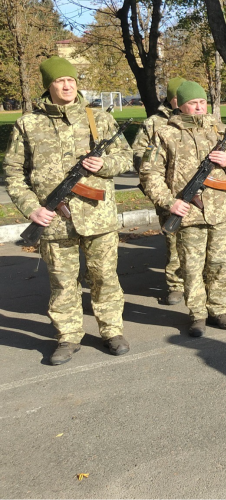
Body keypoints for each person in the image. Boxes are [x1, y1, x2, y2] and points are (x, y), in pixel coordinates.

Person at [4, 56, 132, 364]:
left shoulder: (98, 118)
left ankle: (111, 331)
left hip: (98, 217)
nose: (67, 85)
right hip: (54, 222)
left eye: (71, 80)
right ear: (49, 85)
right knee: (63, 282)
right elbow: (12, 171)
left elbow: (126, 157)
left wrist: (105, 164)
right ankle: (68, 336)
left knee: (104, 277)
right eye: (60, 81)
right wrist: (31, 208)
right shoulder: (29, 123)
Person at [140, 81, 226, 337]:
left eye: (202, 102)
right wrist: (170, 202)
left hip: (220, 212)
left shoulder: (222, 130)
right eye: (193, 103)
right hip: (187, 213)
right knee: (192, 267)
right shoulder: (165, 134)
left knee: (220, 264)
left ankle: (218, 309)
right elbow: (150, 174)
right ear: (180, 105)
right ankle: (197, 314)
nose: (200, 107)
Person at [132, 76, 185, 305]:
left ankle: (197, 280)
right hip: (166, 190)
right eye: (177, 98)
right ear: (171, 99)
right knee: (173, 237)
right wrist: (153, 166)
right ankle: (175, 283)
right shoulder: (154, 123)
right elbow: (138, 153)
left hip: (197, 190)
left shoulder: (199, 120)